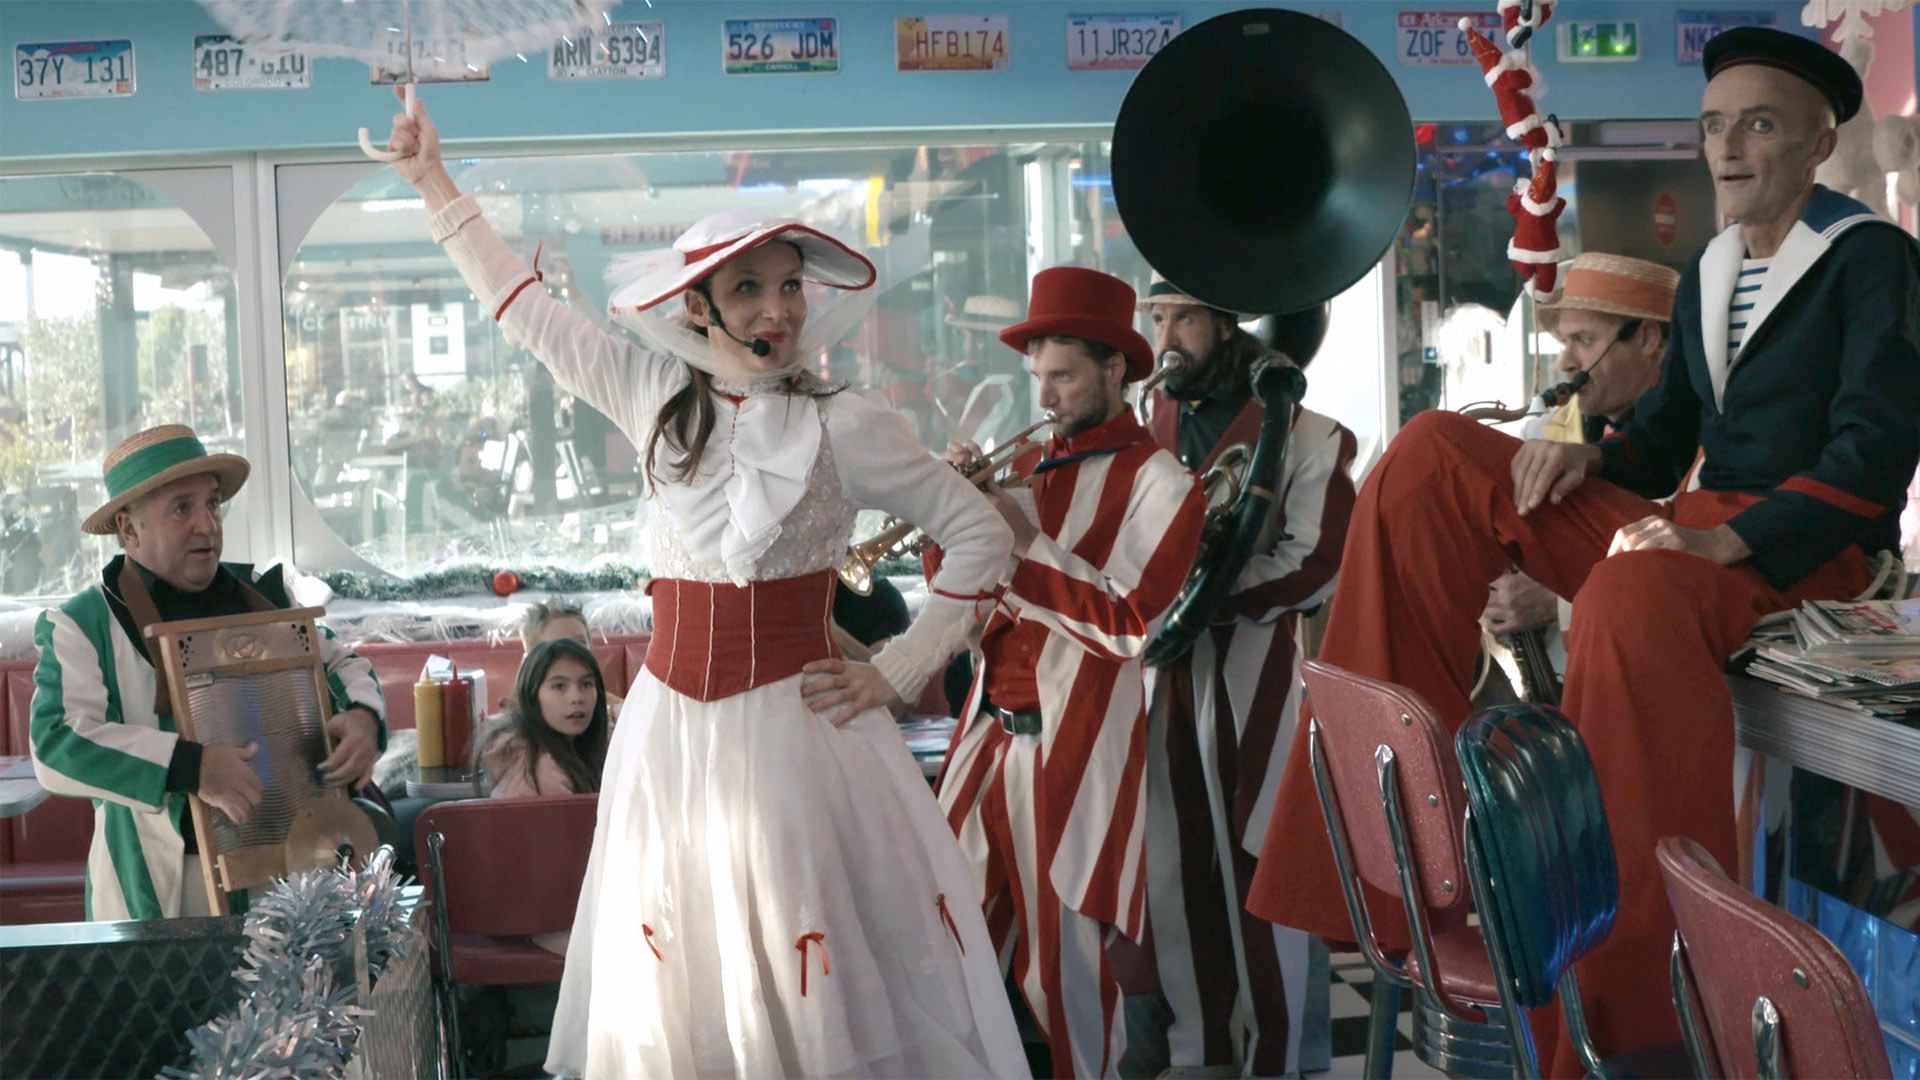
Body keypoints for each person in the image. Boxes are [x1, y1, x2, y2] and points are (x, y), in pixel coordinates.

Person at [1252, 27, 1919, 1075]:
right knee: (1430, 457)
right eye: (1713, 125)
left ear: (1819, 141)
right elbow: (1657, 447)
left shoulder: (1871, 257)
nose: (1727, 147)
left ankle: (1643, 1018)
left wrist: (1726, 540)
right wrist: (1581, 456)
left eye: (1758, 125)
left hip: (1807, 556)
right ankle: (1410, 857)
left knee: (1631, 592)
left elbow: (1873, 459)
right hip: (1692, 536)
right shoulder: (1712, 267)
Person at [385, 92, 1028, 1078]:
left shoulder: (849, 423)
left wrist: (896, 671)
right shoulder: (651, 394)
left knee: (805, 979)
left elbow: (980, 535)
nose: (778, 309)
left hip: (800, 737)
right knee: (686, 985)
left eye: (790, 286)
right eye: (749, 289)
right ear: (701, 306)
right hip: (671, 739)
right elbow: (526, 313)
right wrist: (435, 182)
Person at [933, 266, 1209, 1078]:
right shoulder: (1029, 467)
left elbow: (1130, 624)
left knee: (1069, 983)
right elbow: (966, 602)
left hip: (1072, 751)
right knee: (944, 945)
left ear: (1115, 369)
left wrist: (1017, 536)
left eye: (1064, 377)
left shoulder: (1165, 483)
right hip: (986, 737)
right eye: (1039, 378)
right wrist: (951, 515)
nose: (1046, 397)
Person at [1127, 275, 1356, 1077]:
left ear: (1226, 323)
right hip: (1158, 676)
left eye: (1184, 317)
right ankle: (1202, 1051)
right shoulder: (1146, 425)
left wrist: (1205, 596)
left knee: (1262, 867)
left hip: (1255, 673)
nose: (1165, 338)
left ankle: (1280, 1057)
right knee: (1174, 864)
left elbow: (1318, 563)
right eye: (1157, 317)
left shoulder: (1312, 433)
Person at [29, 424, 386, 920]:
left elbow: (344, 665)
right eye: (182, 508)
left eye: (213, 504)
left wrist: (365, 718)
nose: (207, 524)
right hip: (160, 898)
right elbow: (56, 745)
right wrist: (190, 766)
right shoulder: (82, 625)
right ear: (129, 530)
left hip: (290, 883)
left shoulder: (263, 595)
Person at [1482, 254, 1681, 689]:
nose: (1565, 363)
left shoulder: (1700, 443)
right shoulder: (1550, 429)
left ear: (1648, 338)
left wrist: (1556, 600)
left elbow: (1678, 564)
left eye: (1584, 341)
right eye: (1563, 342)